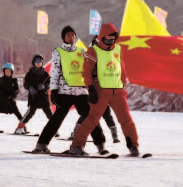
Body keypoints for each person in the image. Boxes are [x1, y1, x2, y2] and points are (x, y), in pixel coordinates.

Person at [31, 25, 107, 154]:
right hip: (64, 92)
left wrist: (95, 48)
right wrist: (53, 90)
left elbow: (92, 62)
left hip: (81, 91)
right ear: (63, 37)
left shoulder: (82, 51)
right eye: (68, 35)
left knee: (90, 118)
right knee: (57, 119)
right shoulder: (58, 52)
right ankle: (41, 144)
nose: (71, 37)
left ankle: (101, 146)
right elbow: (55, 72)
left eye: (73, 35)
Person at [69, 23, 141, 157]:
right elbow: (86, 72)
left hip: (118, 91)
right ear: (101, 38)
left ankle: (133, 146)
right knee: (92, 119)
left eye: (113, 39)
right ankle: (76, 146)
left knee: (126, 120)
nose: (110, 42)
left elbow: (121, 68)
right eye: (107, 39)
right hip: (101, 91)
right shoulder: (93, 51)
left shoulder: (118, 49)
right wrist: (90, 89)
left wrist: (123, 83)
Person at [16, 54, 52, 134]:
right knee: (30, 113)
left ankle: (54, 129)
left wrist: (44, 86)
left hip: (43, 98)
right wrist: (30, 87)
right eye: (36, 61)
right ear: (33, 62)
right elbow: (25, 84)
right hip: (33, 97)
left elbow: (49, 84)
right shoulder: (29, 74)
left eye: (40, 61)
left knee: (49, 114)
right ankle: (20, 128)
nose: (38, 63)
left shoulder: (46, 74)